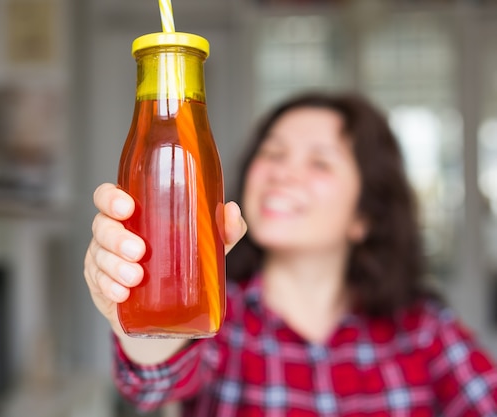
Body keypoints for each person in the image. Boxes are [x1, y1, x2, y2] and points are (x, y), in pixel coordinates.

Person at [84, 92, 497, 416]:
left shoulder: (422, 331)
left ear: (365, 215)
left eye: (319, 162)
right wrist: (133, 305)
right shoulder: (219, 317)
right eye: (273, 153)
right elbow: (155, 381)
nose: (282, 172)